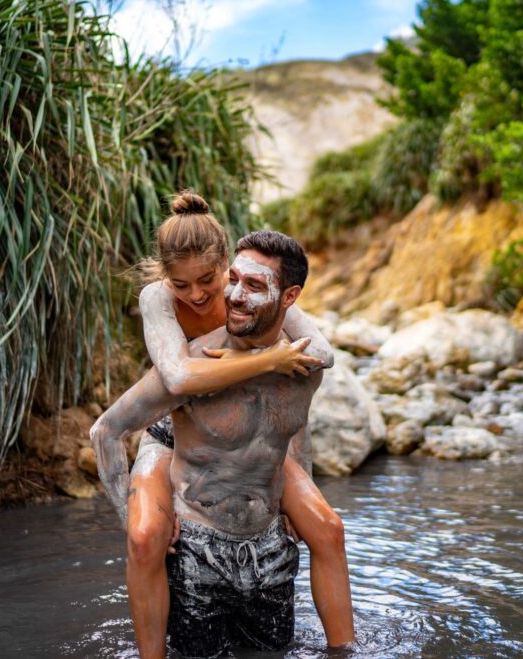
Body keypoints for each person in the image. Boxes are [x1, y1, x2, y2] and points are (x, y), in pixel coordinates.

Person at [110, 192, 354, 658]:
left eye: (208, 279)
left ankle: (345, 650)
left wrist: (286, 490)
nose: (199, 295)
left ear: (224, 264)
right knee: (145, 539)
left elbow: (317, 360)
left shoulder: (244, 288)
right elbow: (177, 376)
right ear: (166, 277)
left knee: (327, 527)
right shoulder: (159, 298)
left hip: (249, 431)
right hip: (172, 431)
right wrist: (268, 360)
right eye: (182, 284)